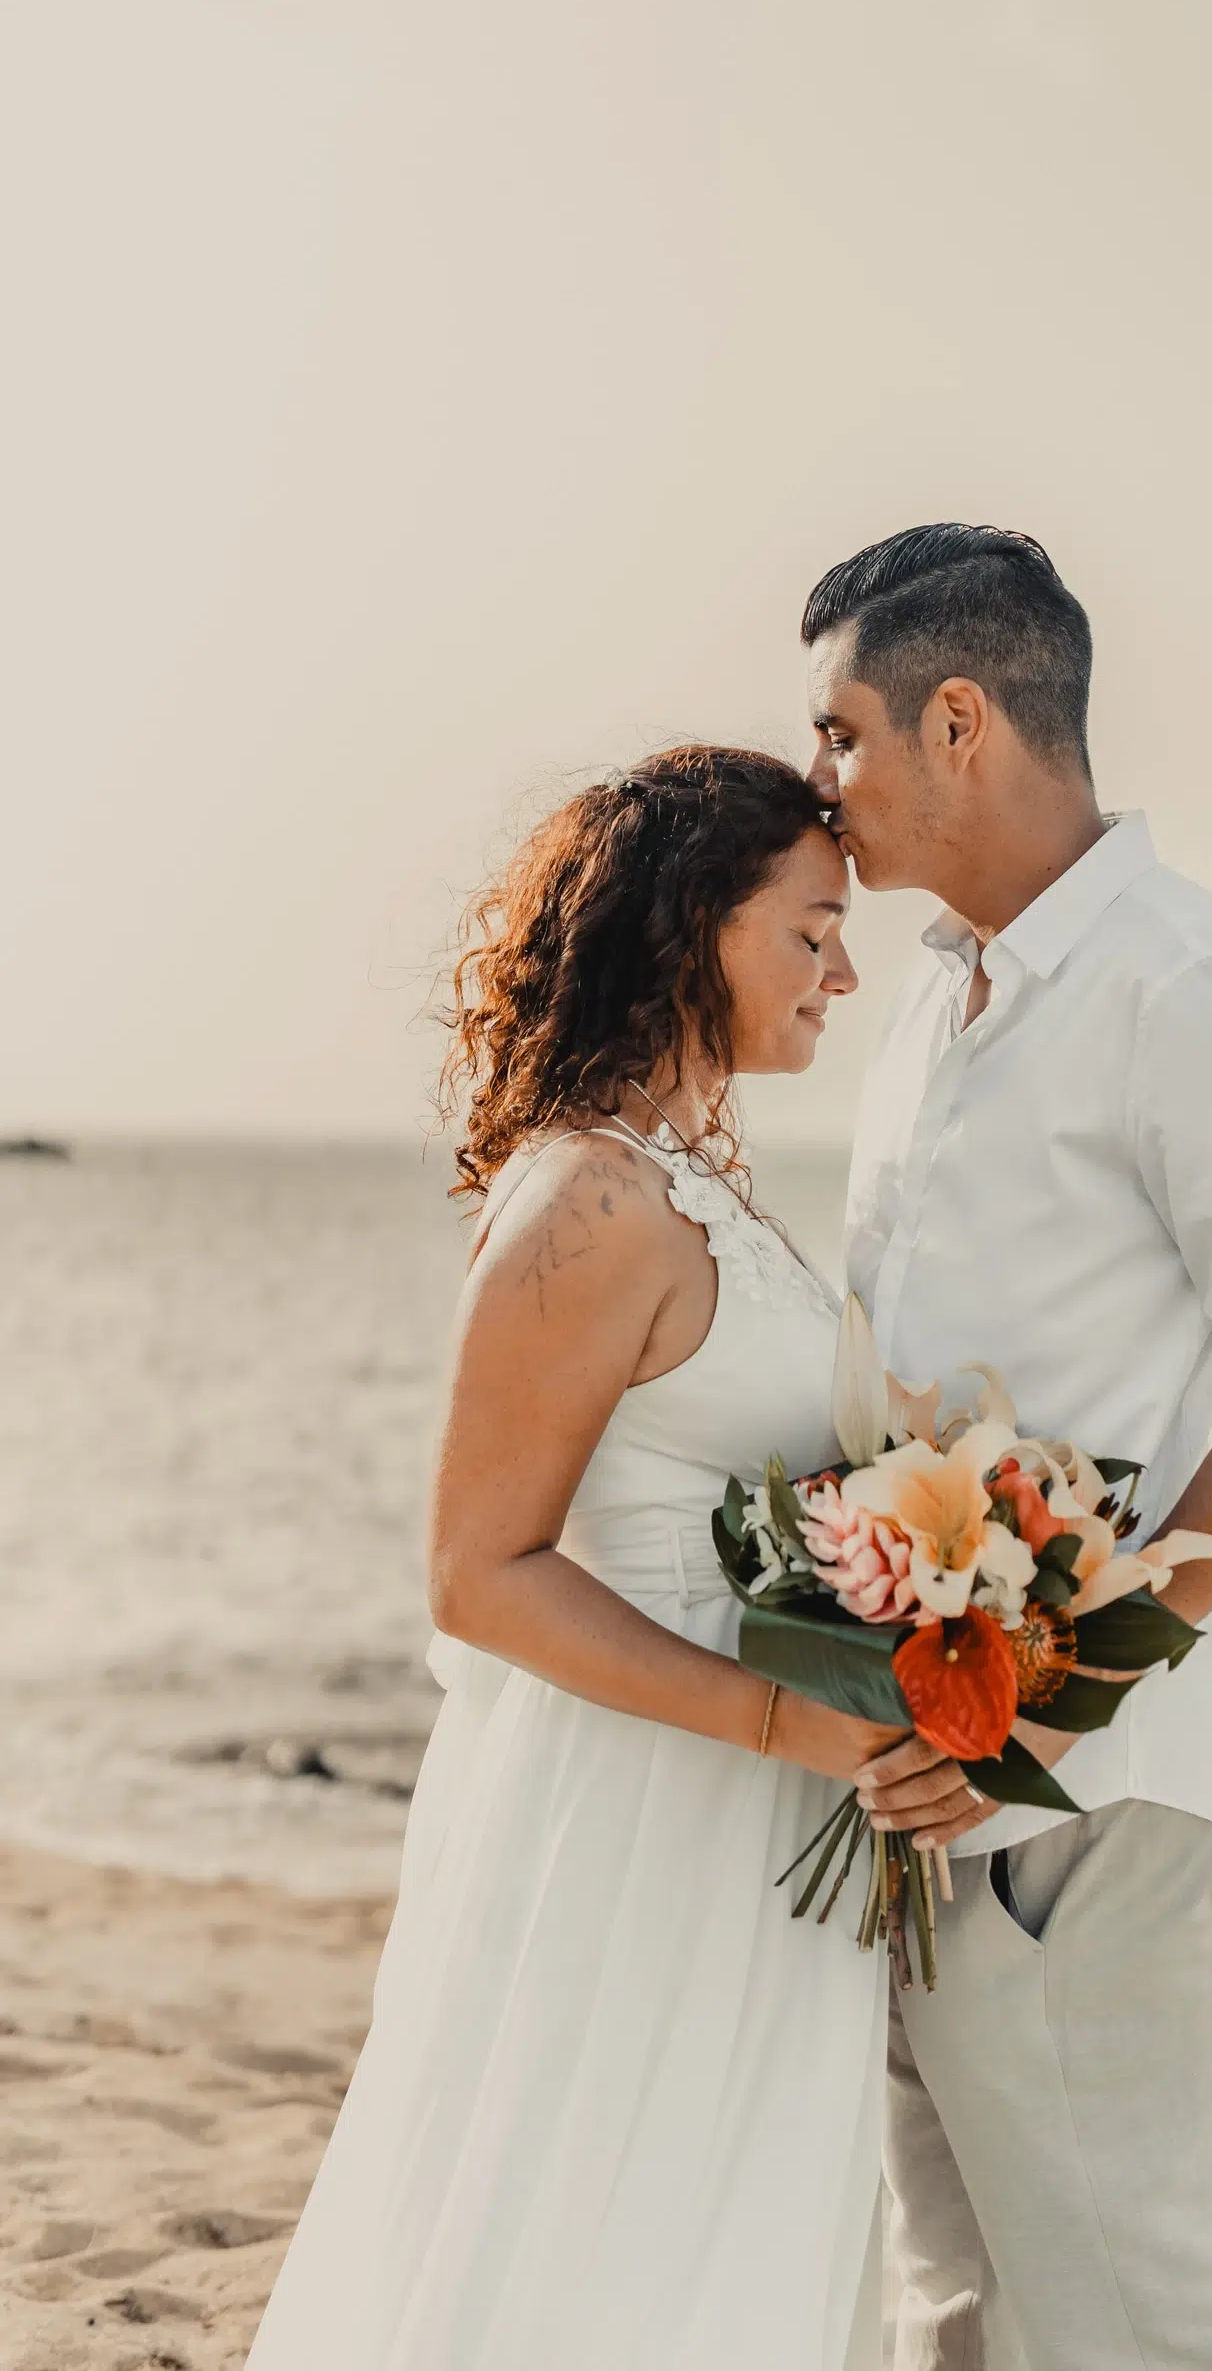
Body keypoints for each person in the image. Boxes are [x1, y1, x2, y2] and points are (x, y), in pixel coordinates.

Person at [803, 526, 1212, 2371]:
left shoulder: (1179, 980)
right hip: (923, 1736)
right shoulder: (935, 988)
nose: (816, 785)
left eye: (840, 735)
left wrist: (1052, 1709)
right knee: (960, 2276)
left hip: (1074, 1767)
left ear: (959, 719)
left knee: (1127, 2301)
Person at [246, 744, 892, 2371]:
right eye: (810, 927)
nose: (845, 968)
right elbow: (477, 1572)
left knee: (708, 2237)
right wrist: (779, 1720)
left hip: (751, 1794)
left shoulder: (690, 1190)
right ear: (695, 923)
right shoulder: (590, 1203)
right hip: (633, 1806)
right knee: (593, 2233)